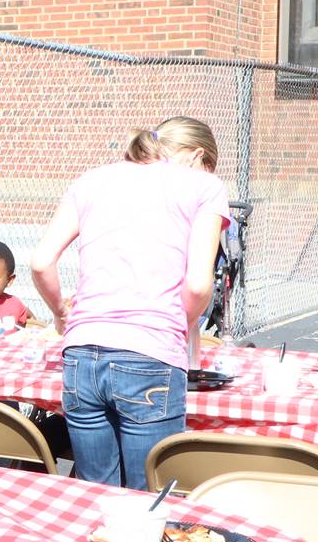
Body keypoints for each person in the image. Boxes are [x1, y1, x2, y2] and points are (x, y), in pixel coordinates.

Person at [31, 119, 229, 489]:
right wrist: (177, 323)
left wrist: (61, 314)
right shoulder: (205, 186)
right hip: (150, 357)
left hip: (81, 353)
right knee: (149, 497)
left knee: (95, 492)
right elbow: (200, 283)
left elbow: (41, 262)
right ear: (198, 156)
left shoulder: (91, 180)